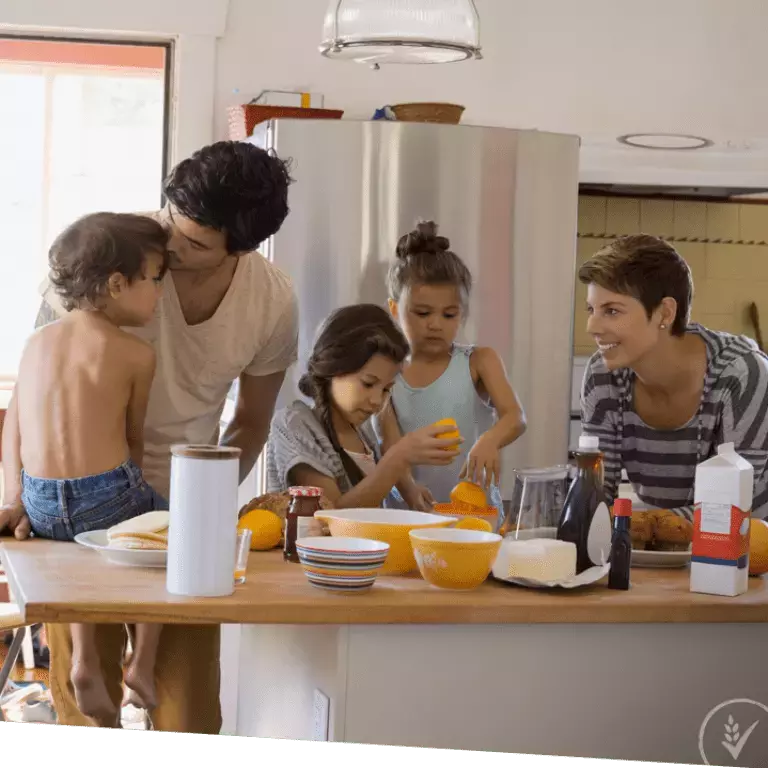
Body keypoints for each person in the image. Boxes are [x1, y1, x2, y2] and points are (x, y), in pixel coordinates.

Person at [0, 140, 299, 734]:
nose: (168, 245)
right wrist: (14, 495)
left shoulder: (272, 300)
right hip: (83, 502)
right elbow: (29, 402)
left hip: (182, 511)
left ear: (242, 246)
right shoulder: (105, 258)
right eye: (172, 223)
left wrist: (202, 506)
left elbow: (251, 420)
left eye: (192, 244)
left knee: (187, 716)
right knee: (83, 716)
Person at [1, 213, 170, 727]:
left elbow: (16, 430)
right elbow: (134, 438)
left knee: (74, 549)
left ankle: (84, 660)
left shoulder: (35, 345)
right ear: (118, 284)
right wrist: (134, 500)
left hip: (39, 500)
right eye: (157, 278)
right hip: (106, 493)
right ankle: (141, 664)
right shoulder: (137, 354)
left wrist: (17, 496)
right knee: (162, 534)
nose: (161, 294)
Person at [578, 234, 768, 520]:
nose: (592, 326)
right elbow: (596, 495)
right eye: (591, 309)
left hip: (751, 551)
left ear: (664, 312)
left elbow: (731, 508)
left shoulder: (741, 375)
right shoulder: (603, 375)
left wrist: (629, 525)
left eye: (612, 311)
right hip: (671, 547)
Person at [380, 221, 526, 514]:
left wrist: (490, 440)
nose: (435, 324)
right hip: (407, 514)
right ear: (395, 309)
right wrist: (409, 489)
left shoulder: (479, 361)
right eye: (422, 313)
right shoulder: (385, 372)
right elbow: (390, 446)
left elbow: (515, 417)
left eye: (449, 314)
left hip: (473, 515)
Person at [266, 304, 461, 505]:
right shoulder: (294, 426)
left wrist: (409, 487)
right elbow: (331, 518)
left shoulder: (362, 435)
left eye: (386, 389)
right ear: (333, 367)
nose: (377, 400)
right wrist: (397, 459)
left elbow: (369, 498)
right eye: (368, 383)